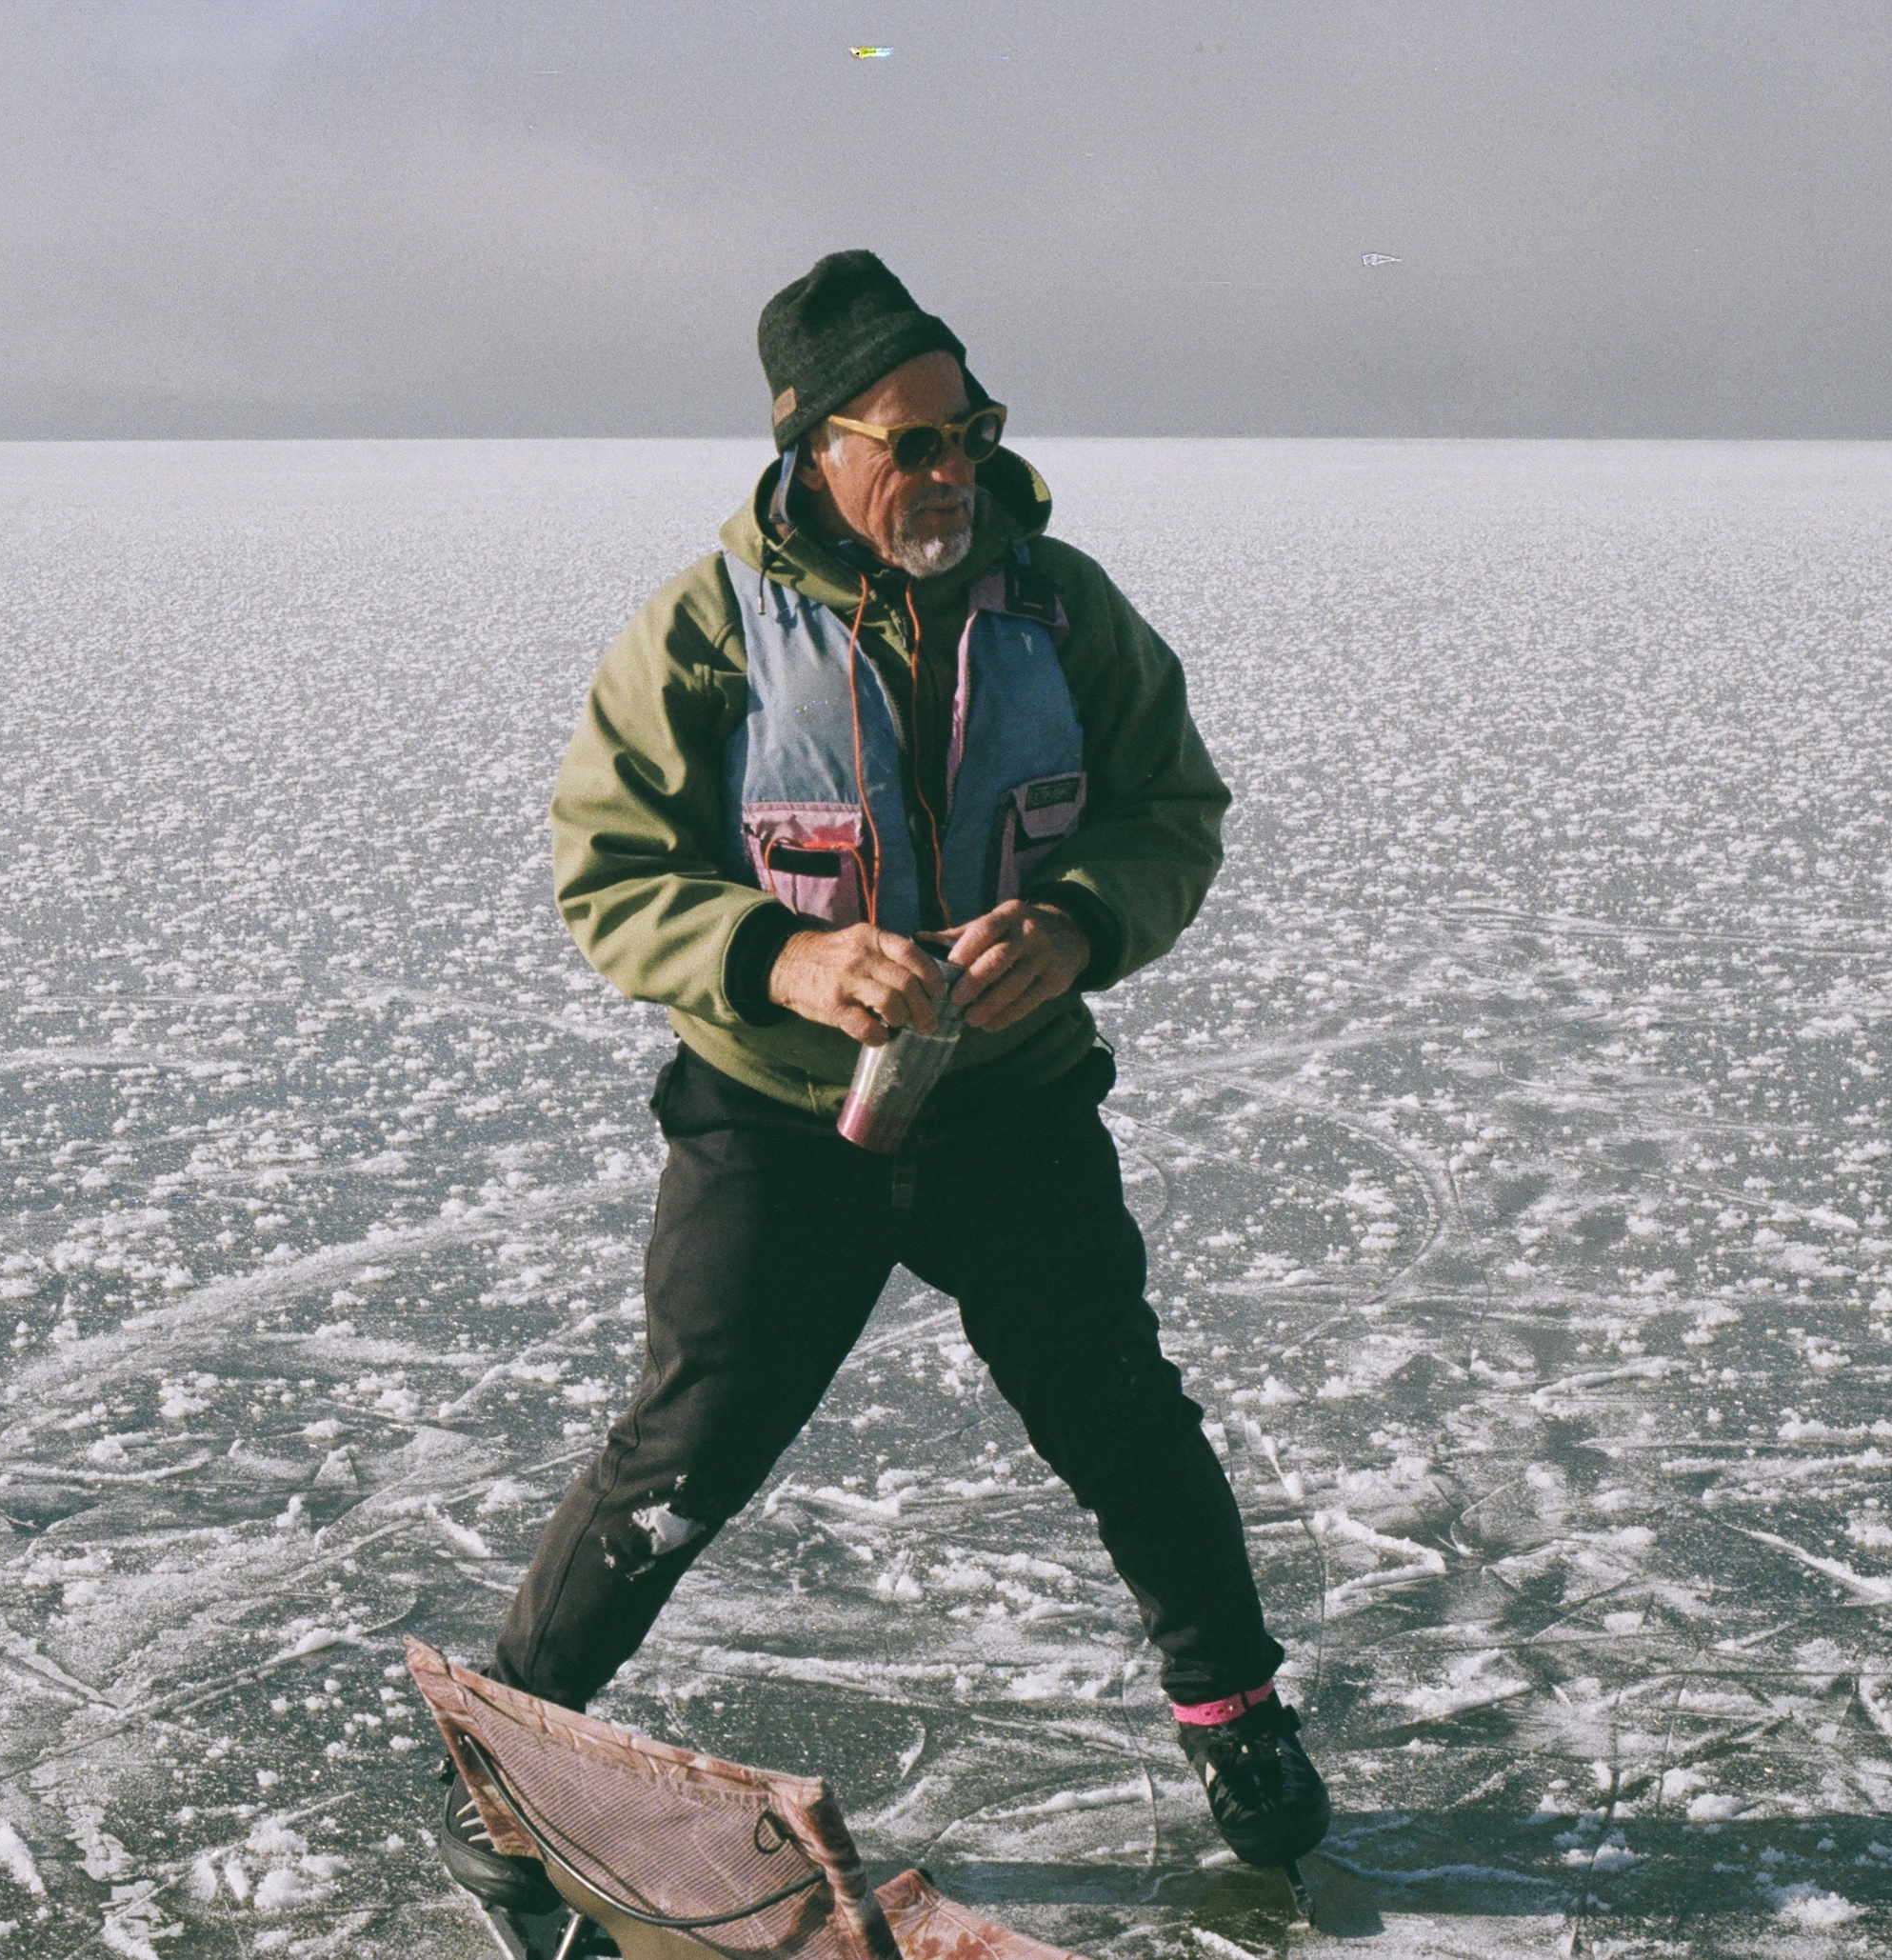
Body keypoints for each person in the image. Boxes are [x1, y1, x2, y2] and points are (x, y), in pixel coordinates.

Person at [437, 250, 1327, 1936]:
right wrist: (782, 958)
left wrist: (1076, 921)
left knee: (1124, 1418)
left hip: (1011, 1108)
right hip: (778, 1123)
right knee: (685, 1448)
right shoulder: (707, 631)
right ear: (816, 447)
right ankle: (505, 1765)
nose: (951, 471)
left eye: (969, 432)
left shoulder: (1060, 607)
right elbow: (607, 868)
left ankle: (1237, 1716)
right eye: (912, 441)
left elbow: (1170, 810)